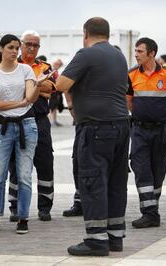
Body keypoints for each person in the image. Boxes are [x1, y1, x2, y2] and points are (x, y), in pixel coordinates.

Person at [56, 17, 130, 256]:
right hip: (121, 125)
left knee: (93, 181)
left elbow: (61, 84)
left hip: (97, 128)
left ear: (85, 33)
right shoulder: (119, 56)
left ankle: (96, 240)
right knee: (116, 182)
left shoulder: (86, 54)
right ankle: (115, 237)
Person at [0, 34, 40, 234]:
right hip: (1, 126)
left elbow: (30, 97)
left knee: (25, 174)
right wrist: (21, 102)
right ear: (1, 49)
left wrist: (36, 88)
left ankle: (23, 218)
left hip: (26, 125)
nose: (15, 51)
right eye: (11, 47)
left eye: (17, 48)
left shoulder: (26, 69)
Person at [127, 38, 166, 228]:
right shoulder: (132, 74)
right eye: (136, 51)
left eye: (140, 51)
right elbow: (129, 101)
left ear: (152, 53)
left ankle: (152, 207)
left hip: (160, 131)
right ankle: (149, 213)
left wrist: (161, 117)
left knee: (159, 170)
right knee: (141, 169)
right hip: (139, 130)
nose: (136, 54)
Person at [8, 30, 55, 222]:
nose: (31, 48)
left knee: (45, 163)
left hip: (40, 120)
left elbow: (51, 88)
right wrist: (37, 85)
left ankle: (45, 207)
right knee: (16, 165)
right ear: (21, 44)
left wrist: (27, 85)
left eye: (35, 45)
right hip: (17, 120)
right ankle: (15, 206)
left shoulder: (45, 66)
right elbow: (9, 89)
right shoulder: (11, 65)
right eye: (28, 44)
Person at [49, 59, 64, 126]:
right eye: (57, 64)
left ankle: (54, 120)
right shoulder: (51, 70)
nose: (58, 66)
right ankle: (51, 120)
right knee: (52, 106)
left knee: (54, 106)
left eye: (59, 65)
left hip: (56, 91)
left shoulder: (55, 71)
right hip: (52, 91)